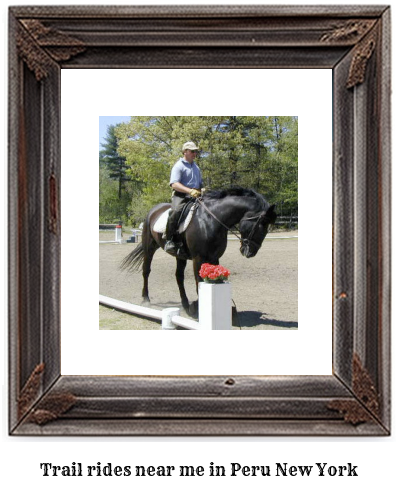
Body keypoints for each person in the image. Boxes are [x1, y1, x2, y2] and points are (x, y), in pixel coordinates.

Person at [164, 141, 203, 254]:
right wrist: (190, 191)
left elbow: (200, 184)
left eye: (195, 151)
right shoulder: (178, 166)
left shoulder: (196, 167)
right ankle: (169, 240)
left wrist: (202, 189)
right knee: (175, 212)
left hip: (196, 196)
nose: (194, 153)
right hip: (180, 197)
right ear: (185, 152)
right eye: (192, 151)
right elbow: (174, 184)